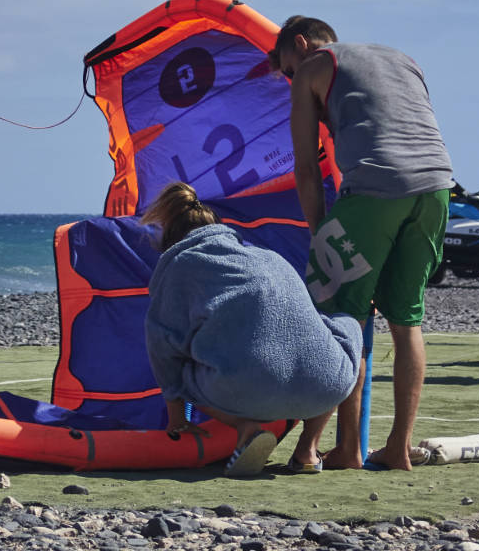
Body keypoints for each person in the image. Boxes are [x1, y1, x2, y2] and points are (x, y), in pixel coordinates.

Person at [270, 16, 455, 471]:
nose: (290, 78)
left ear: (301, 44)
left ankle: (341, 447)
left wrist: (319, 232)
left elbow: (307, 166)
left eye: (286, 69)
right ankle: (397, 448)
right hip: (437, 187)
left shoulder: (314, 66)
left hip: (374, 188)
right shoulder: (401, 59)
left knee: (340, 316)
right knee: (406, 319)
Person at [141, 181, 364, 476]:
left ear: (173, 237)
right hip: (325, 389)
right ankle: (309, 449)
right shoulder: (270, 258)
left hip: (245, 392)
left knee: (179, 369)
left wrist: (177, 419)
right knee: (345, 331)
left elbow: (163, 345)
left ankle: (245, 428)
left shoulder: (182, 265)